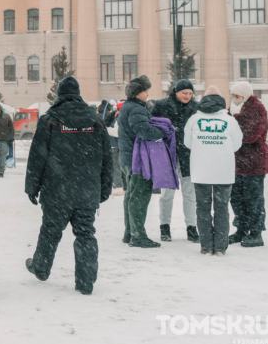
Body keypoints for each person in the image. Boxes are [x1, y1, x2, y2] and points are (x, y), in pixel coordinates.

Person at [24, 77, 112, 295]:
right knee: (85, 234)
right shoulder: (95, 120)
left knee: (50, 232)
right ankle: (86, 282)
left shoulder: (51, 119)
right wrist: (105, 188)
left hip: (56, 190)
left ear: (59, 95)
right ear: (78, 94)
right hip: (86, 190)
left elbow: (37, 157)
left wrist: (31, 187)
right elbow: (107, 158)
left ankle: (41, 268)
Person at [183, 85, 243, 256]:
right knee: (222, 208)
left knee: (202, 208)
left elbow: (187, 143)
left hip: (201, 170)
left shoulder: (194, 119)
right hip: (223, 170)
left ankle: (206, 246)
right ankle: (221, 247)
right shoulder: (230, 120)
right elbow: (237, 145)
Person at [117, 75, 164, 248]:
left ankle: (129, 233)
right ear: (138, 92)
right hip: (138, 159)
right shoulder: (136, 109)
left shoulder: (127, 107)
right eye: (145, 90)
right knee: (139, 196)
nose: (147, 93)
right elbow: (143, 131)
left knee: (131, 195)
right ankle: (138, 236)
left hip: (128, 157)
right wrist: (162, 132)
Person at [151, 80, 200, 243]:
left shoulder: (196, 107)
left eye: (190, 93)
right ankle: (164, 226)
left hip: (188, 155)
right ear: (176, 92)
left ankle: (191, 228)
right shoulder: (161, 105)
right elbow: (153, 125)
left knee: (190, 194)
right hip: (167, 154)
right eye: (184, 93)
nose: (187, 96)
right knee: (166, 194)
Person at [229, 81, 268, 248]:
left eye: (238, 96)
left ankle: (255, 233)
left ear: (246, 95)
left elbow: (250, 135)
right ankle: (241, 229)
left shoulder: (256, 109)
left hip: (254, 162)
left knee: (253, 199)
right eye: (233, 96)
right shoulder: (234, 108)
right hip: (238, 162)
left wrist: (233, 120)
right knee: (237, 198)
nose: (236, 99)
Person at [0, 105, 15, 178]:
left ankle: (1, 172)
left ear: (1, 110)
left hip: (4, 141)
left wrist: (11, 138)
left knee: (2, 157)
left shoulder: (6, 117)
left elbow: (11, 128)